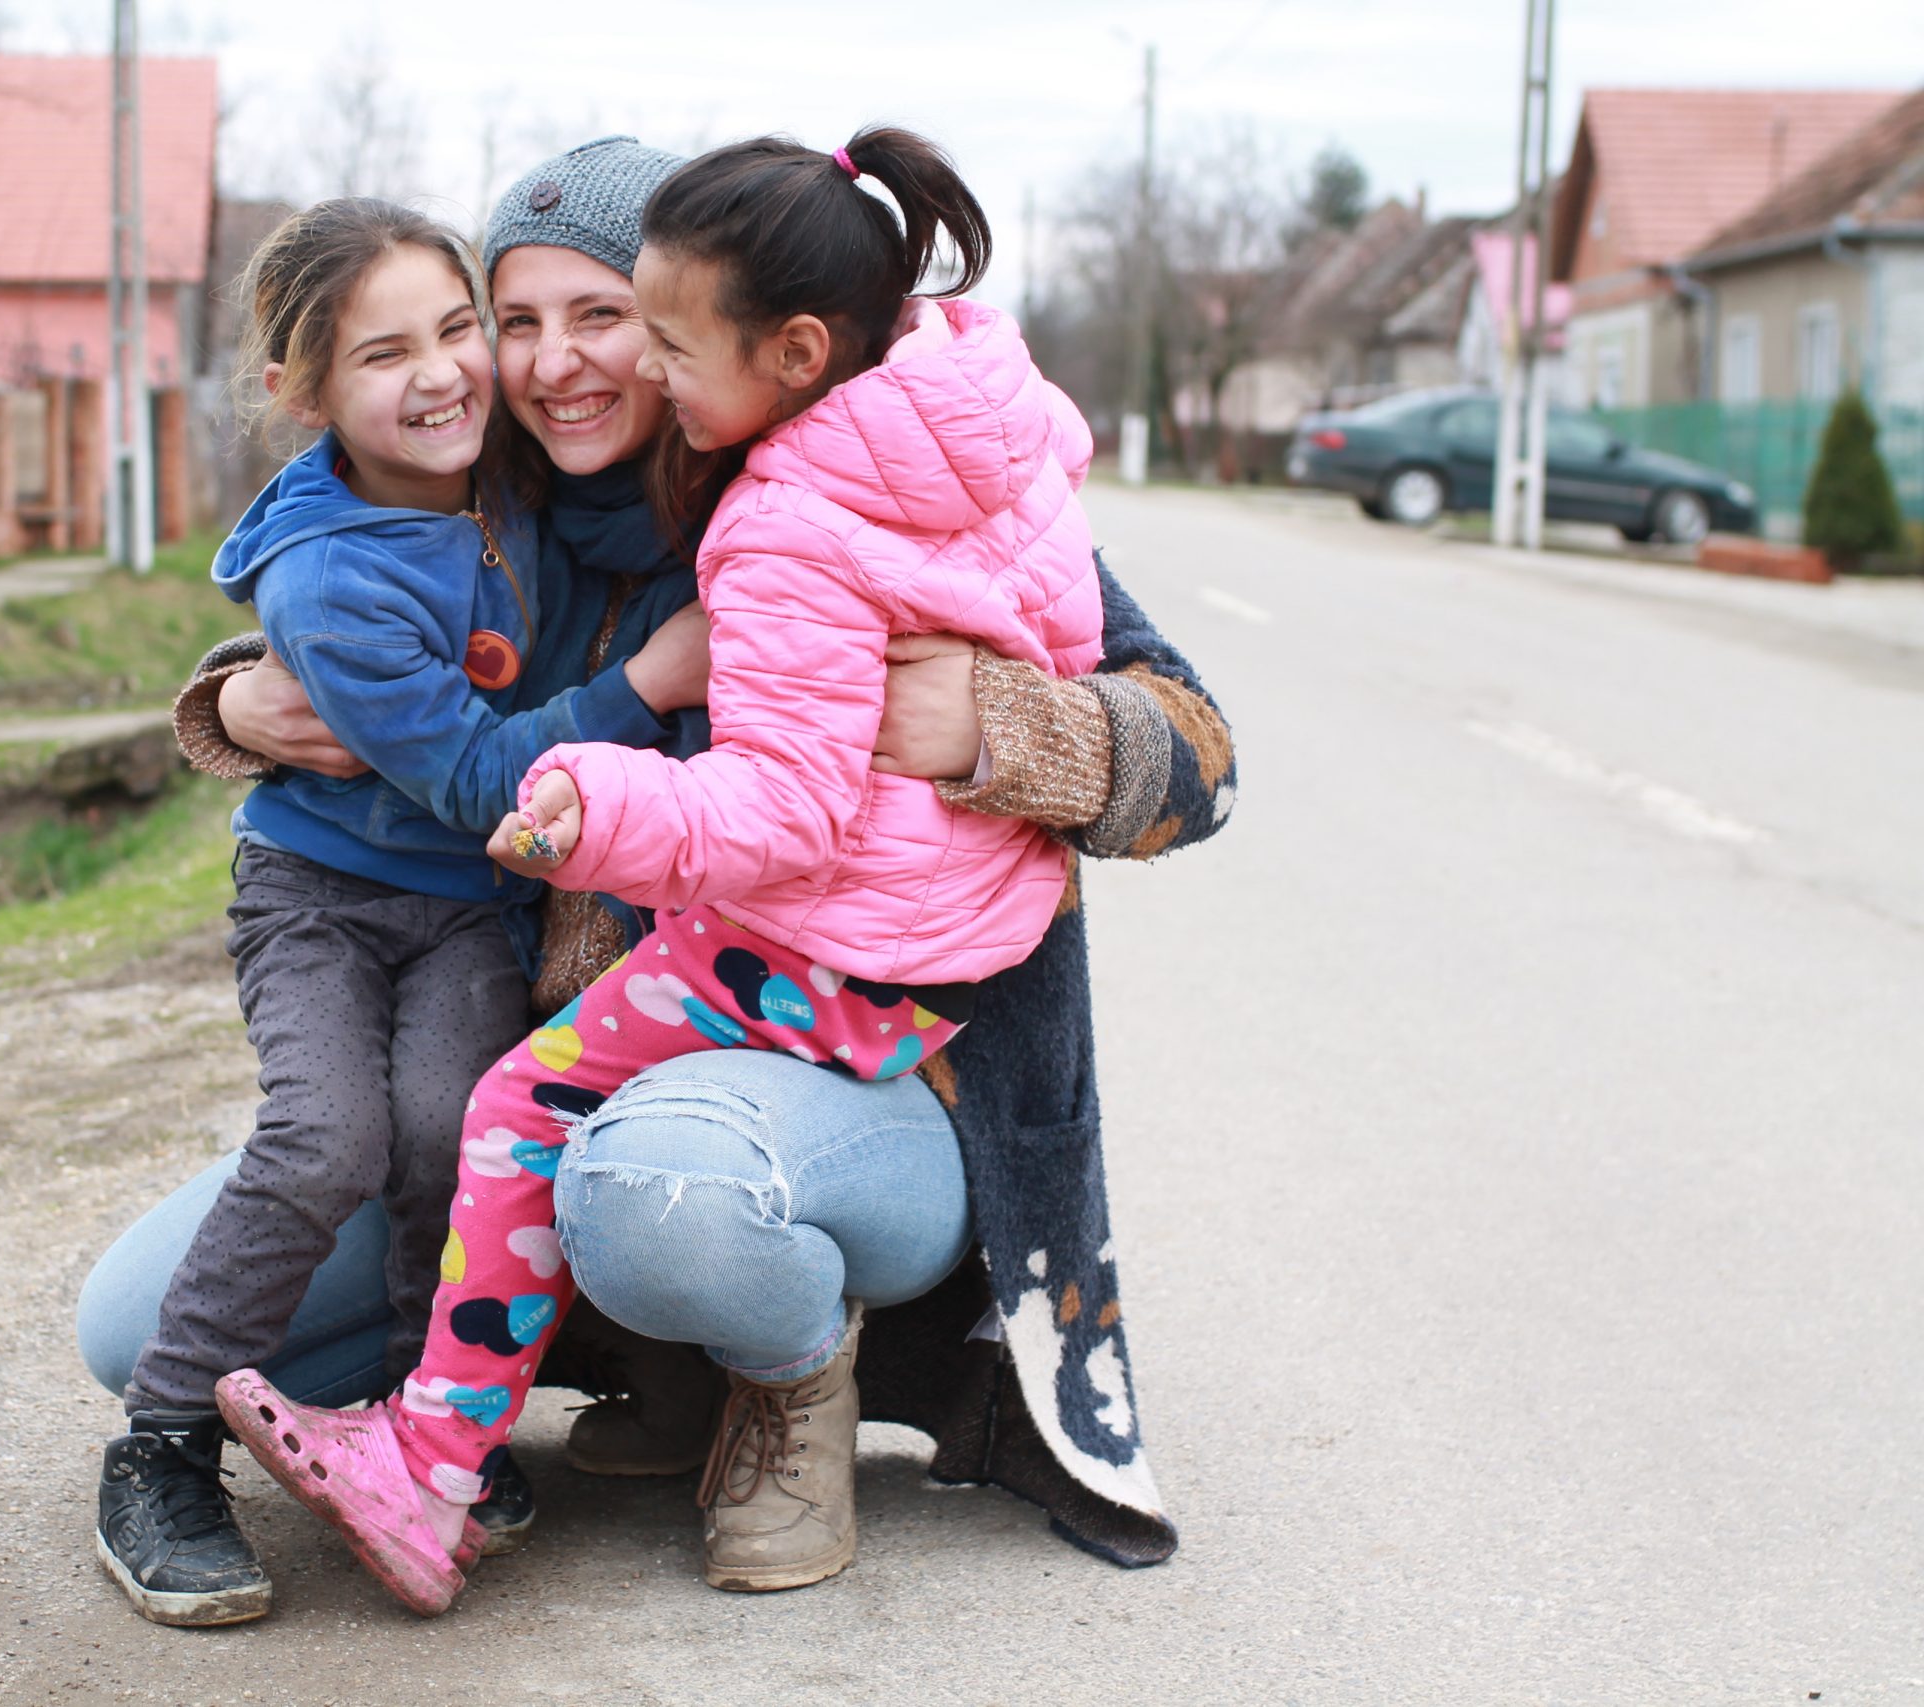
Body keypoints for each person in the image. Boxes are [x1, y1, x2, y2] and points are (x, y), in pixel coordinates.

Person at [78, 134, 1234, 1622]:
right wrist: (233, 703)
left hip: (855, 1082)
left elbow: (1200, 751)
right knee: (135, 1328)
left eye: (604, 315)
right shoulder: (493, 496)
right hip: (548, 1071)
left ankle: (786, 1383)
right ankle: (568, 1389)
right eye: (519, 319)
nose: (554, 362)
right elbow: (374, 616)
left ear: (687, 319)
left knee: (653, 1187)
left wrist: (1007, 729)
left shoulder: (848, 477)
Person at [91, 197, 711, 1627]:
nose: (441, 374)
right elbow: (488, 778)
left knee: (451, 1127)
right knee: (328, 1137)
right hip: (326, 898)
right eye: (385, 355)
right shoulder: (330, 575)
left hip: (465, 916)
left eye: (455, 331)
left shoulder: (503, 465)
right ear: (303, 397)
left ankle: (418, 1429)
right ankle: (161, 1446)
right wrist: (651, 683)